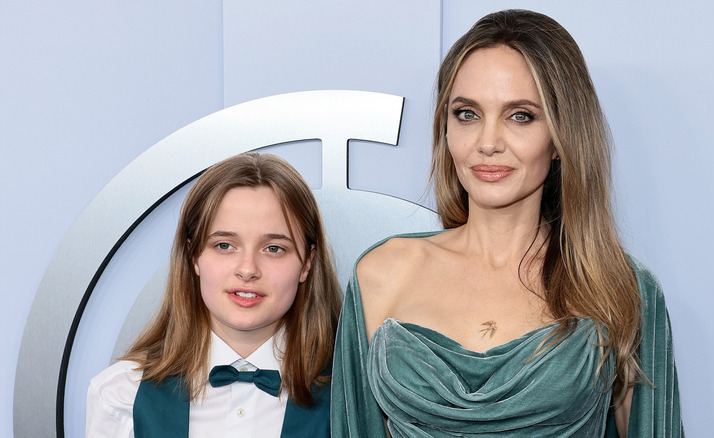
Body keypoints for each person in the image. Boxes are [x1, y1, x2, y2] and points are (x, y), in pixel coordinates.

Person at [331, 9, 683, 438]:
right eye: (467, 114)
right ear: (445, 128)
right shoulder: (380, 274)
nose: (488, 143)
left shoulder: (619, 287)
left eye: (520, 116)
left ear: (560, 138)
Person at [86, 153, 341, 437]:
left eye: (274, 249)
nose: (247, 270)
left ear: (307, 263)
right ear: (193, 256)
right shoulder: (120, 395)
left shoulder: (355, 396)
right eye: (224, 245)